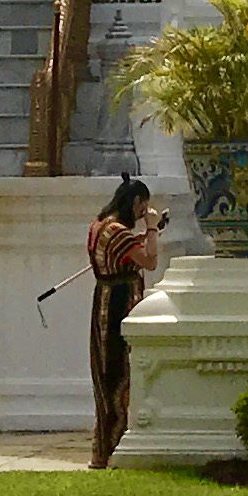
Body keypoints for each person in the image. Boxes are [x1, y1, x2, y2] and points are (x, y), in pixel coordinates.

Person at [84, 174, 167, 468]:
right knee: (120, 373)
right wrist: (153, 229)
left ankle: (102, 448)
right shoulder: (118, 232)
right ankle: (116, 444)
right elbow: (150, 261)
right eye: (142, 207)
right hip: (120, 303)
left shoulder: (98, 227)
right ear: (135, 203)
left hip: (103, 300)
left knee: (105, 373)